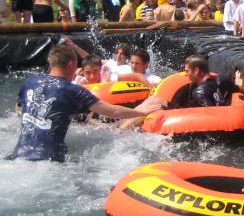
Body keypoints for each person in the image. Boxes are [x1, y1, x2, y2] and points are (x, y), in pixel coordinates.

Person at [6, 45, 160, 162]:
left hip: (17, 156)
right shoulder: (72, 90)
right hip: (49, 160)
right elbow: (112, 111)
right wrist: (141, 111)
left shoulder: (29, 81)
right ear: (71, 64)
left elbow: (18, 110)